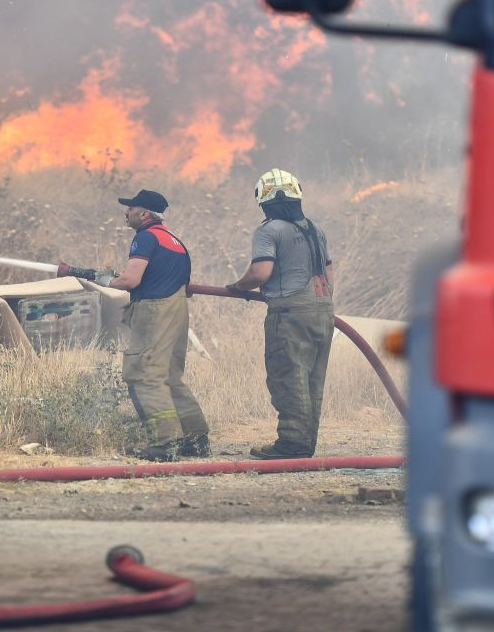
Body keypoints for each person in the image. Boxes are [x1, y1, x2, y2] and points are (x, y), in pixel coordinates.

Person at [226, 169, 335, 460]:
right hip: (323, 310)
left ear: (264, 199)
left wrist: (238, 286)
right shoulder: (315, 228)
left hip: (289, 313)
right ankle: (304, 443)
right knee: (313, 379)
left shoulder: (269, 230)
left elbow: (261, 272)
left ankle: (291, 444)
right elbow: (329, 271)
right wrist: (321, 302)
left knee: (288, 375)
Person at [102, 189, 210, 461]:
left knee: (145, 375)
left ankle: (166, 443)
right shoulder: (175, 241)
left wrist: (105, 280)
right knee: (171, 377)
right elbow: (183, 286)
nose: (126, 213)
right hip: (177, 312)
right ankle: (196, 441)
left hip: (154, 312)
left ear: (144, 214)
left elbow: (130, 281)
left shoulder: (146, 238)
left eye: (131, 209)